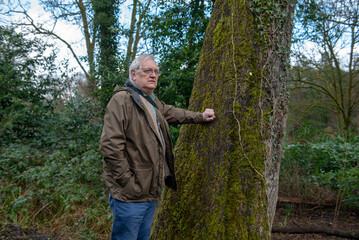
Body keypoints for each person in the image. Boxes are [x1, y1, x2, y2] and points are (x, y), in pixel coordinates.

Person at [99, 54, 215, 240]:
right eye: (148, 71)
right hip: (131, 193)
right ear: (133, 74)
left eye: (156, 71)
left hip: (150, 190)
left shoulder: (149, 100)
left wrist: (200, 117)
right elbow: (110, 146)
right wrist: (127, 182)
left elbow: (172, 112)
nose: (153, 75)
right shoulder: (122, 100)